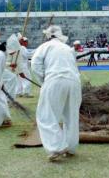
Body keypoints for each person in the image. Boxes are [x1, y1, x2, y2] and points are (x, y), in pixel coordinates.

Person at [31, 25, 82, 162]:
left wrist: (44, 80)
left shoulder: (44, 46)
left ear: (49, 36)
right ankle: (71, 148)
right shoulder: (68, 48)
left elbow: (35, 65)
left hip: (55, 79)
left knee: (46, 115)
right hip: (74, 82)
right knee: (71, 116)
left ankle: (56, 147)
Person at [16, 33, 33, 98]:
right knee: (27, 78)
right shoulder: (22, 48)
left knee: (19, 80)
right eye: (26, 42)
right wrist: (36, 52)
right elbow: (28, 55)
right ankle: (26, 92)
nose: (27, 43)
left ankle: (18, 92)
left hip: (19, 66)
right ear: (22, 42)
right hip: (23, 66)